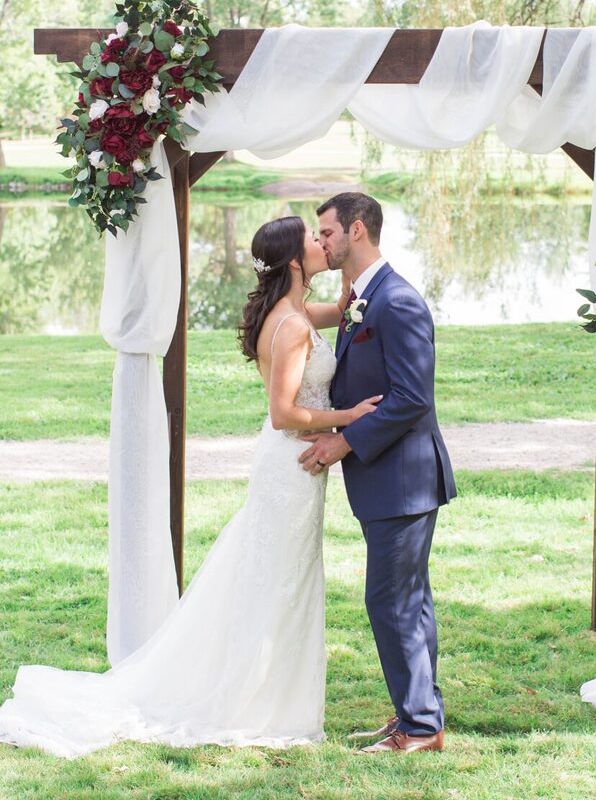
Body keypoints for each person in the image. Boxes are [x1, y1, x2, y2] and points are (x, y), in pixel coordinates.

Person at [0, 216, 380, 758]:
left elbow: (343, 310)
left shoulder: (294, 312)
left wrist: (348, 264)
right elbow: (282, 414)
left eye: (325, 237)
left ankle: (267, 690)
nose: (322, 244)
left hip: (290, 468)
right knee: (279, 583)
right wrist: (351, 416)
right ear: (295, 262)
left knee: (274, 579)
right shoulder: (292, 327)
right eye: (312, 241)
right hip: (289, 465)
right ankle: (258, 701)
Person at [300, 192, 456, 754]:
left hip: (405, 479)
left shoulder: (398, 302)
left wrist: (344, 441)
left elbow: (412, 398)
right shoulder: (362, 299)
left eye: (326, 232)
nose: (320, 242)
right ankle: (417, 716)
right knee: (406, 600)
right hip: (386, 480)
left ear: (356, 230)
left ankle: (419, 728)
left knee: (391, 601)